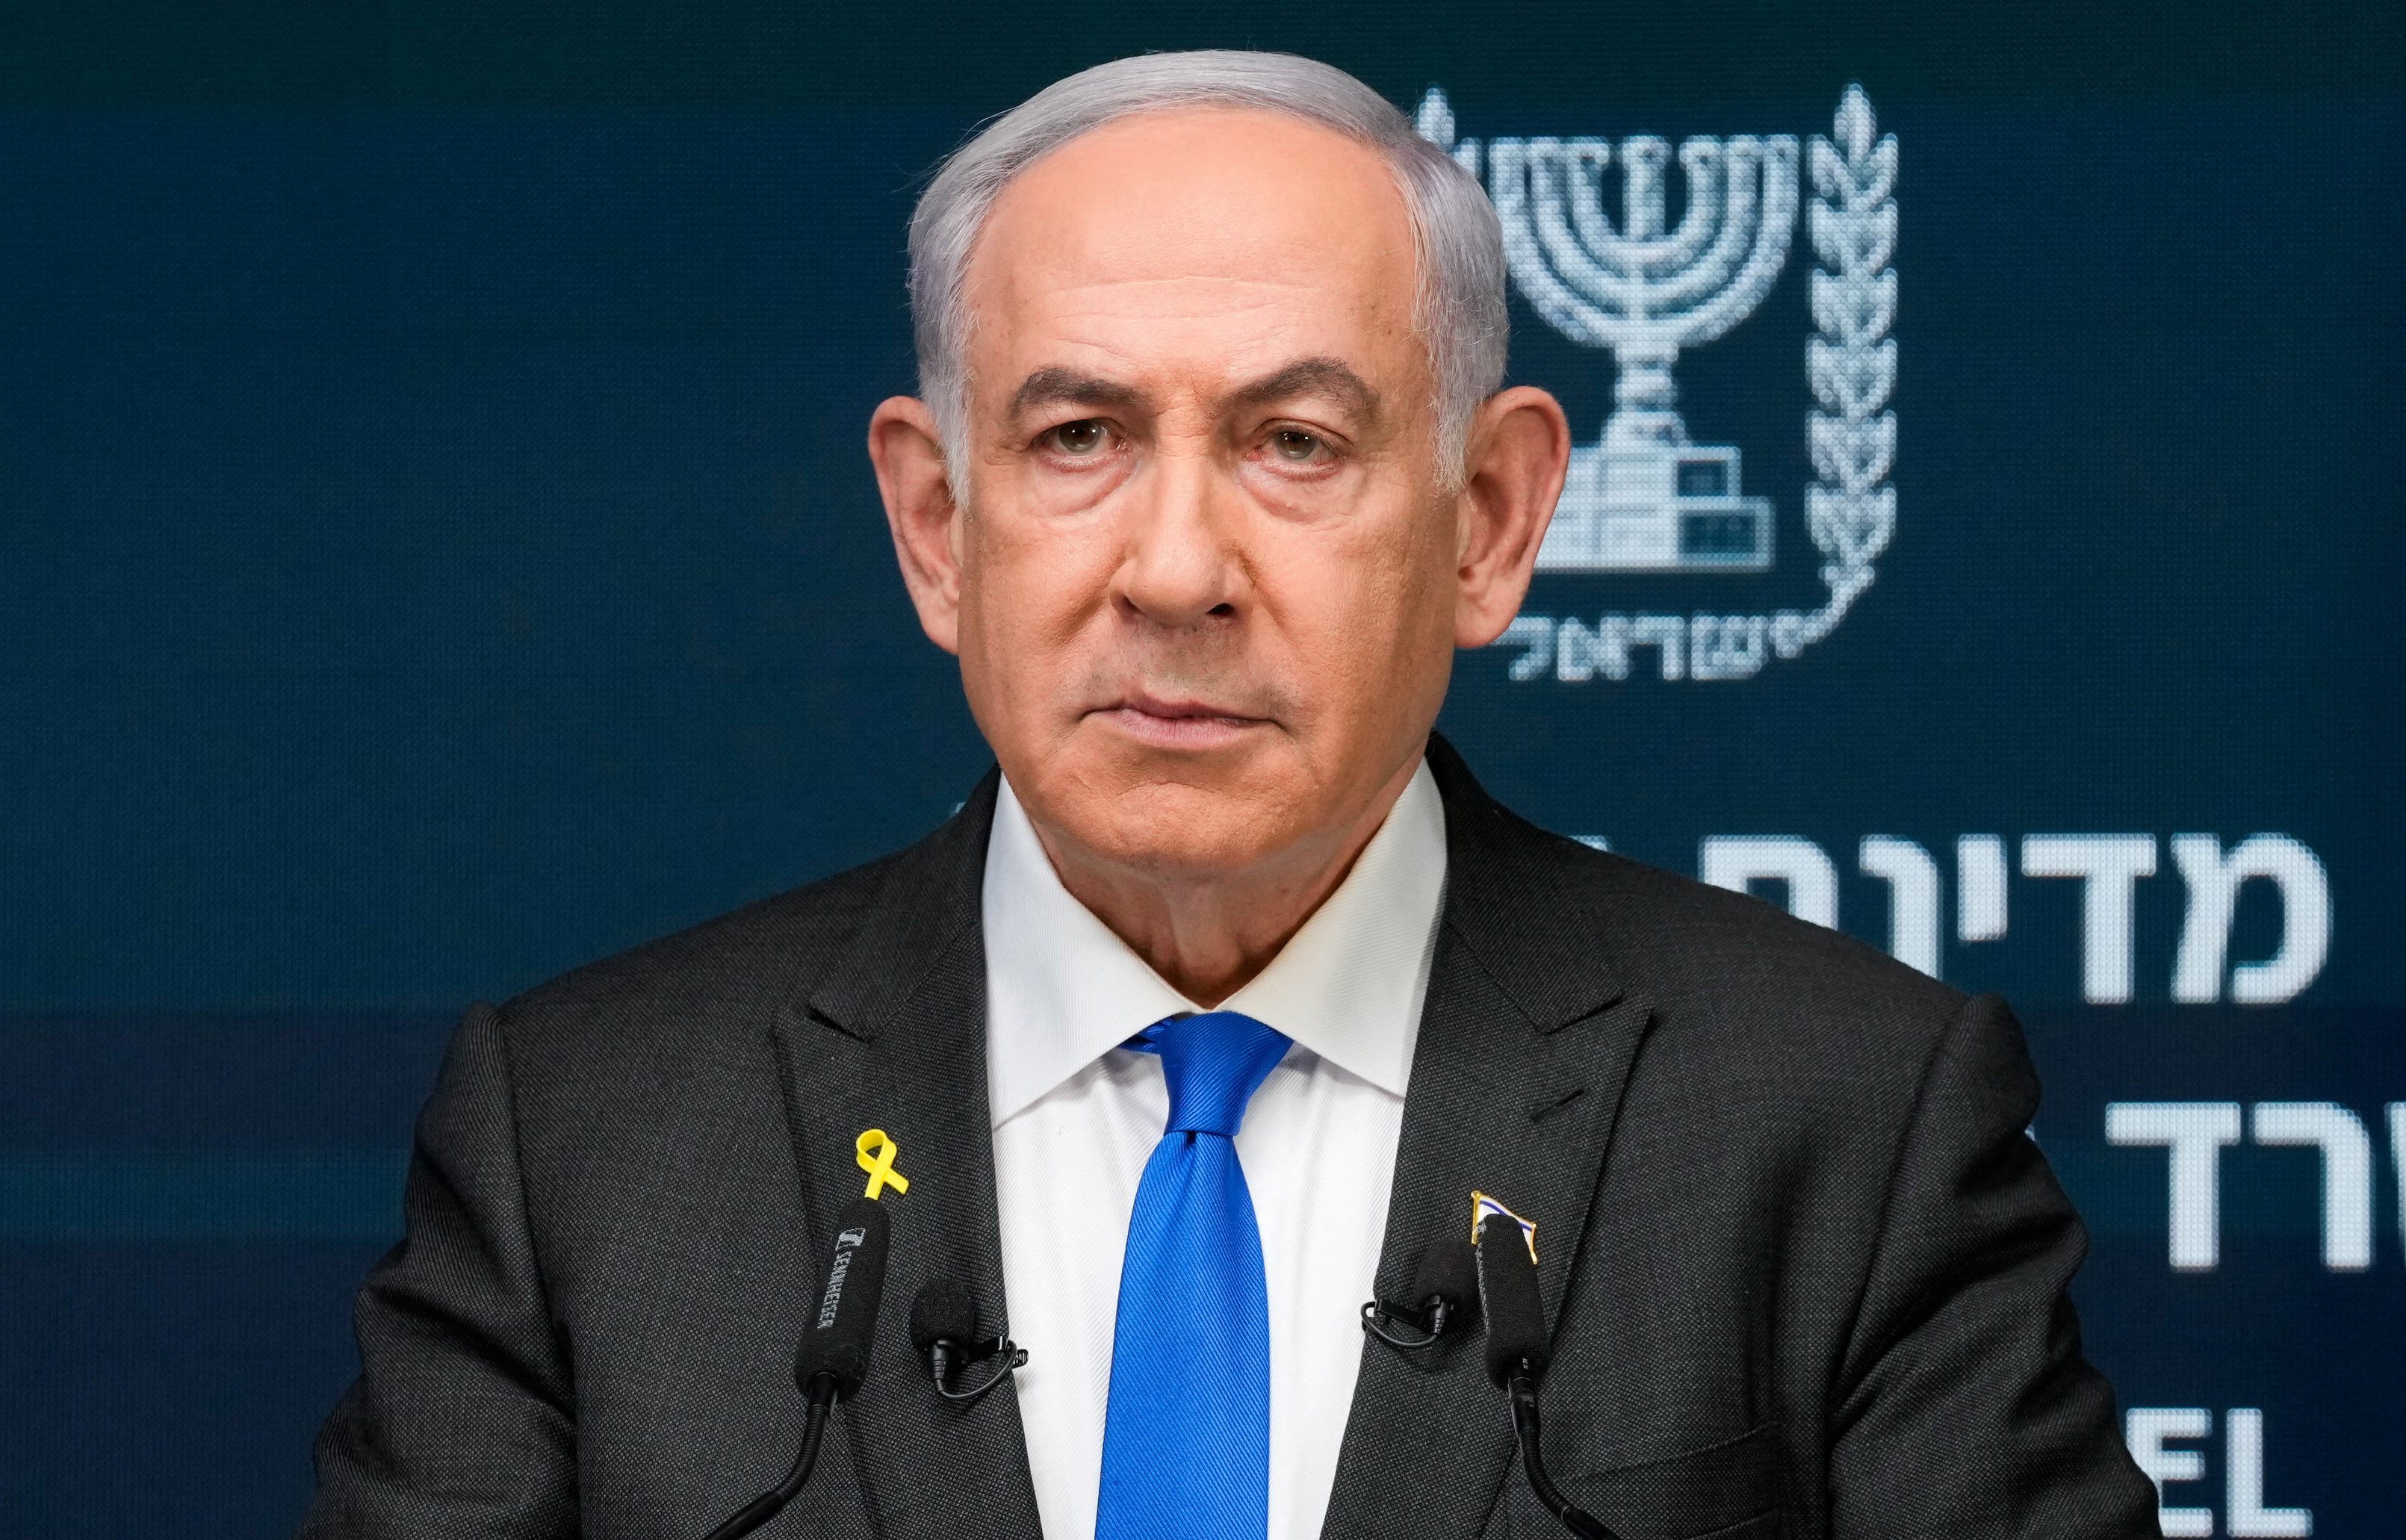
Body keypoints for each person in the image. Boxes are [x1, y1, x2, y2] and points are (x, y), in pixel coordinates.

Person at [300, 50, 2159, 1540]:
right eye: (1079, 435)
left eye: (1293, 441)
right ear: (938, 526)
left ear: (1492, 523)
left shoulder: (1842, 1128)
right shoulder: (589, 1143)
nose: (1176, 566)